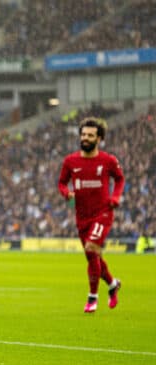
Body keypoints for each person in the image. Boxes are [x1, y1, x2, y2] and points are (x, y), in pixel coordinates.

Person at [58, 117, 125, 313]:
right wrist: (66, 193)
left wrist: (115, 197)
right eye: (84, 135)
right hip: (82, 216)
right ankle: (112, 284)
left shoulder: (108, 160)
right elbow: (61, 183)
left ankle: (92, 297)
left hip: (103, 213)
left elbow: (120, 179)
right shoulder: (70, 161)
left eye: (90, 135)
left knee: (90, 248)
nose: (86, 138)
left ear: (99, 138)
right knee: (93, 256)